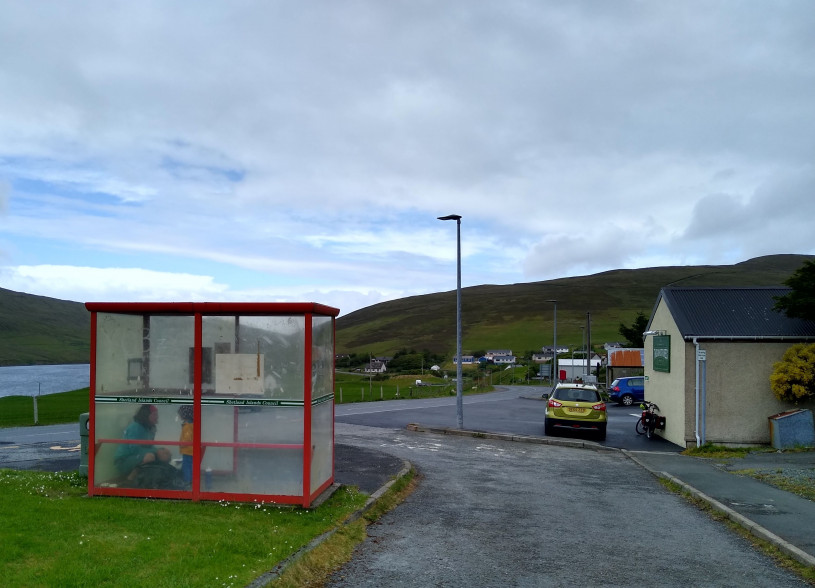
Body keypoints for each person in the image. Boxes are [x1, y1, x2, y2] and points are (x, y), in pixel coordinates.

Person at [114, 404, 160, 478]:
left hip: (136, 457)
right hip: (123, 461)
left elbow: (150, 446)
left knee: (164, 454)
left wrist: (159, 451)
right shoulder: (135, 427)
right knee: (150, 457)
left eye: (157, 415)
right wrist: (156, 451)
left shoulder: (151, 428)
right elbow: (134, 449)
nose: (157, 417)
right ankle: (130, 479)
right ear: (146, 415)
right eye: (154, 414)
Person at [178, 405, 194, 485]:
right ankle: (190, 480)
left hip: (188, 451)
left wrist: (181, 444)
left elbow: (186, 439)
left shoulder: (187, 426)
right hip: (191, 450)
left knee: (186, 466)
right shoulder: (192, 424)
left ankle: (187, 481)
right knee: (190, 466)